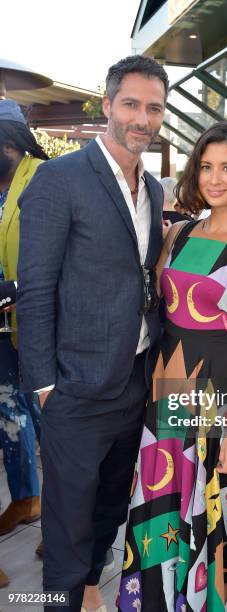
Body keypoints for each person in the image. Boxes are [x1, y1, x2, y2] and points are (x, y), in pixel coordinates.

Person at [17, 55, 168, 612]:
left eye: (154, 108)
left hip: (133, 380)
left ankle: (85, 591)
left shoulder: (152, 189)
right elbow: (35, 292)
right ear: (107, 106)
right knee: (67, 525)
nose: (141, 118)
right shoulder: (60, 182)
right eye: (130, 104)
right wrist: (45, 387)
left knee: (109, 509)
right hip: (75, 391)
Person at [117, 121, 227, 611]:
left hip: (222, 398)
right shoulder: (179, 233)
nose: (215, 178)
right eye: (206, 167)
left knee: (219, 521)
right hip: (165, 395)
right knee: (163, 511)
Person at [0, 99, 44, 537]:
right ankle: (25, 498)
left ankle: (69, 528)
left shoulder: (41, 181)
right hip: (3, 333)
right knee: (10, 416)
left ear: (9, 143)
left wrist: (16, 290)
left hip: (39, 328)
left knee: (50, 421)